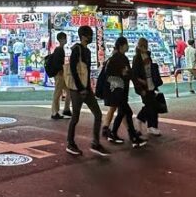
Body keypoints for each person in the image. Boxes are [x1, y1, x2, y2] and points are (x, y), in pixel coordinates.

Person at [65, 26, 108, 157]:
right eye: (89, 35)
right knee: (75, 117)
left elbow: (87, 72)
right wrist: (81, 88)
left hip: (86, 89)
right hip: (77, 89)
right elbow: (73, 69)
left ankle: (95, 143)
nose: (90, 38)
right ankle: (70, 143)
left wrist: (88, 88)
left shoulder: (88, 51)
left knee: (98, 114)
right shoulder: (77, 49)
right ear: (83, 36)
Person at [105, 37, 145, 148]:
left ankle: (113, 133)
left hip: (118, 91)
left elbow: (128, 74)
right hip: (119, 91)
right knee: (127, 112)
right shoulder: (120, 59)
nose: (128, 46)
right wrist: (139, 87)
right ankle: (133, 137)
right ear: (122, 46)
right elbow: (129, 74)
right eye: (127, 44)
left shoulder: (116, 58)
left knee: (123, 112)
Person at [131, 37, 160, 137]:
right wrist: (141, 84)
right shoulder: (137, 58)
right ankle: (141, 119)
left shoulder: (147, 56)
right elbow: (134, 74)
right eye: (143, 46)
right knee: (149, 104)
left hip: (151, 84)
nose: (145, 48)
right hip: (144, 86)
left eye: (145, 46)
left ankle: (152, 126)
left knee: (153, 105)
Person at [48, 32, 72, 120]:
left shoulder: (59, 49)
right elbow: (58, 63)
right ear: (61, 39)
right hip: (59, 74)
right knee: (58, 92)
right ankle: (54, 112)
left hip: (60, 74)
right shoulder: (59, 49)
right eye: (65, 38)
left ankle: (66, 109)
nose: (66, 40)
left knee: (68, 91)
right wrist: (60, 71)